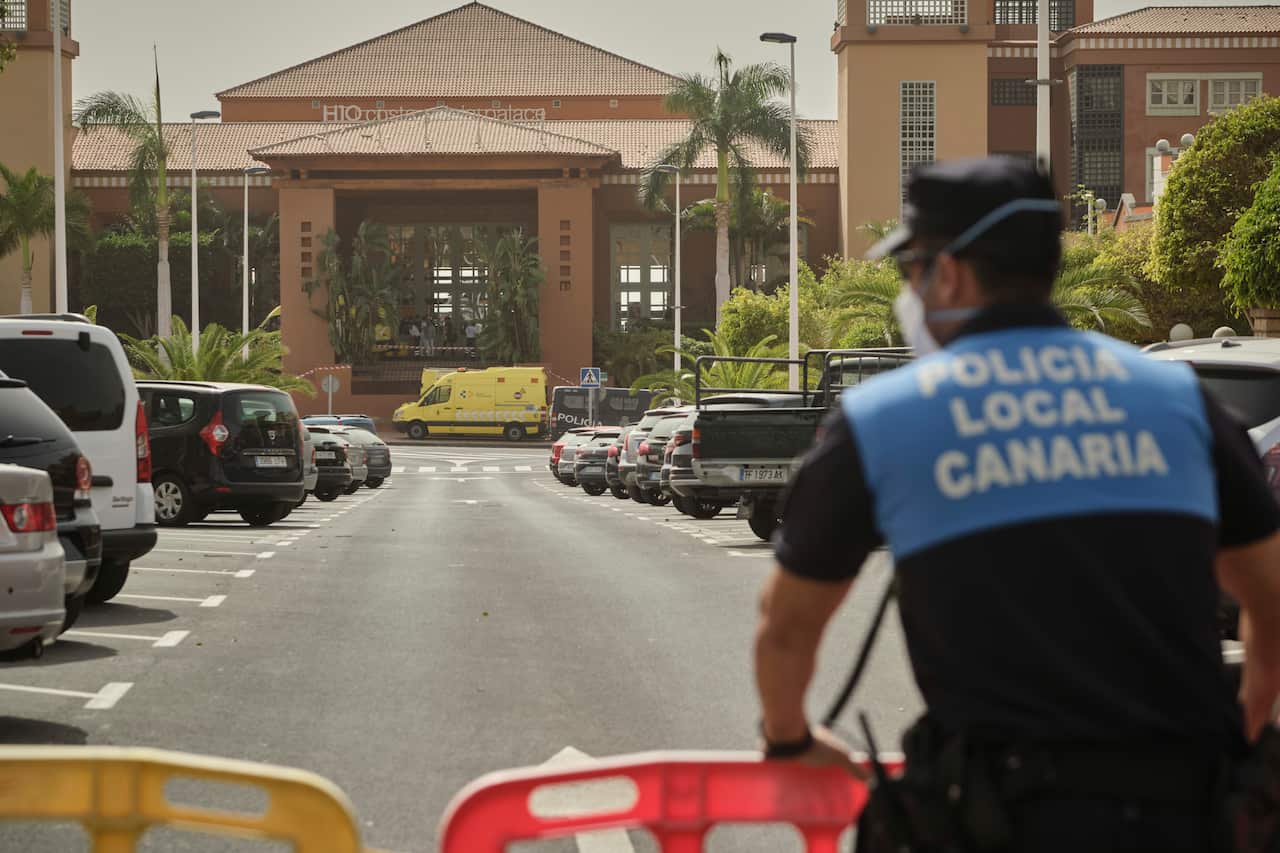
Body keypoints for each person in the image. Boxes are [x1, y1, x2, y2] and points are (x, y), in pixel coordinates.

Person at [753, 157, 1280, 852]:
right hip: (1184, 811)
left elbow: (786, 627)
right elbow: (1270, 601)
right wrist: (1241, 736)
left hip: (998, 817)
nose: (909, 290)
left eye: (910, 268)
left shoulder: (885, 419)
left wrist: (790, 739)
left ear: (949, 273)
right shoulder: (1178, 402)